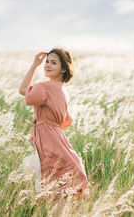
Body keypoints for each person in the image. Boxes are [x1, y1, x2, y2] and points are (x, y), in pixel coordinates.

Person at [19, 48, 90, 200]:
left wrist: (34, 65)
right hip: (57, 136)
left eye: (53, 63)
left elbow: (22, 90)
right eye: (47, 62)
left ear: (63, 68)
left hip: (47, 137)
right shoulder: (62, 89)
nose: (48, 65)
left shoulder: (45, 87)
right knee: (63, 178)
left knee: (51, 180)